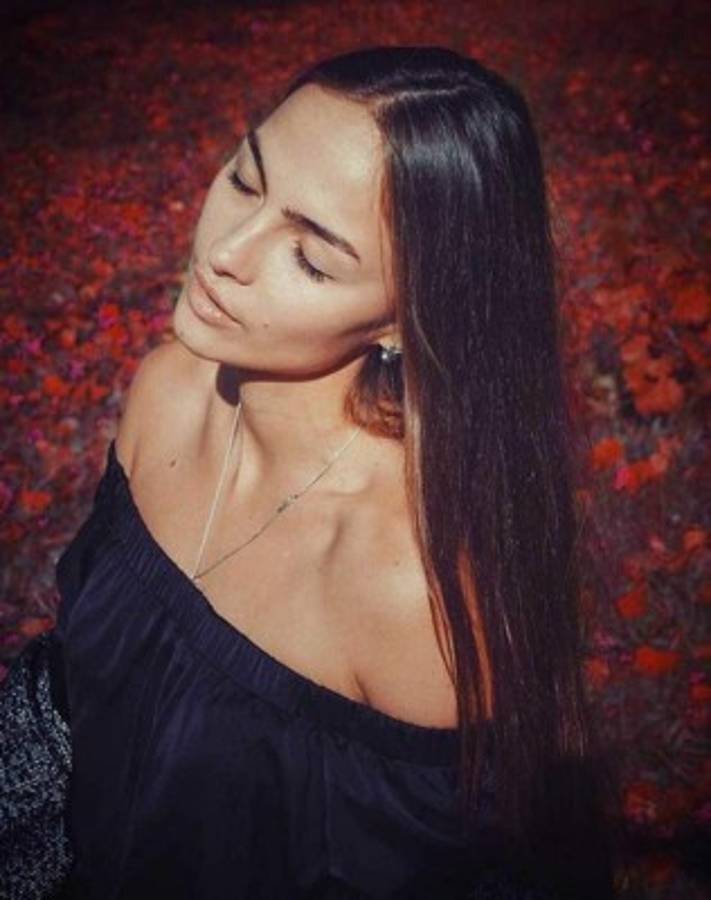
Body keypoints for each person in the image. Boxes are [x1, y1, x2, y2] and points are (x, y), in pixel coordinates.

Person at [45, 45, 618, 898]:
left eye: (312, 258)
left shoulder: (408, 590)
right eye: (245, 179)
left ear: (403, 318)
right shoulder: (169, 390)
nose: (226, 250)